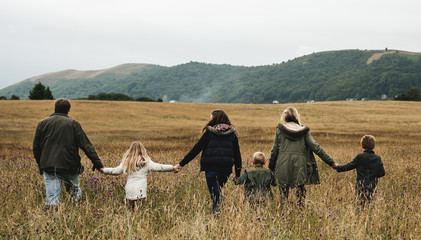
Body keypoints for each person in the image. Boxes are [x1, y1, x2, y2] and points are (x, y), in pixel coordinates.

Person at [33, 98, 104, 208]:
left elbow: (36, 147)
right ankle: (76, 217)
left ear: (55, 108)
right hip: (70, 166)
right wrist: (98, 164)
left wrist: (41, 165)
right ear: (68, 110)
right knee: (75, 196)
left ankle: (51, 221)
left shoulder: (42, 123)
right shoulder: (73, 124)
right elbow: (86, 146)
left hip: (49, 167)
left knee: (52, 199)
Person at [174, 109, 242, 213]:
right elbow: (237, 155)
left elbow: (196, 150)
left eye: (210, 117)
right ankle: (221, 212)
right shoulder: (232, 134)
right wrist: (238, 173)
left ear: (214, 119)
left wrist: (181, 164)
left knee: (215, 194)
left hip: (211, 168)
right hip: (225, 169)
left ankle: (217, 214)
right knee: (217, 191)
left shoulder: (209, 133)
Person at [269, 107, 338, 207]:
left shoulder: (280, 130)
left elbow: (274, 150)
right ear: (297, 116)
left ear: (284, 117)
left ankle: (284, 214)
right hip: (300, 165)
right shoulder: (304, 131)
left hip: (282, 164)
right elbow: (316, 148)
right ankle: (301, 213)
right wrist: (332, 163)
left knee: (283, 194)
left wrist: (271, 167)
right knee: (301, 192)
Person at [103, 141, 178, 209]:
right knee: (139, 212)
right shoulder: (146, 161)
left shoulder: (127, 160)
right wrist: (172, 168)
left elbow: (116, 171)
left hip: (130, 189)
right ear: (142, 149)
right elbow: (159, 167)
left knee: (131, 210)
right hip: (141, 190)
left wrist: (103, 170)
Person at [336, 135, 385, 206]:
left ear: (362, 145)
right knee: (371, 204)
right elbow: (382, 173)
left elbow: (349, 166)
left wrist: (338, 167)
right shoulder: (378, 158)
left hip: (361, 185)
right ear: (373, 146)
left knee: (359, 203)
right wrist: (374, 176)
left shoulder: (360, 157)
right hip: (373, 185)